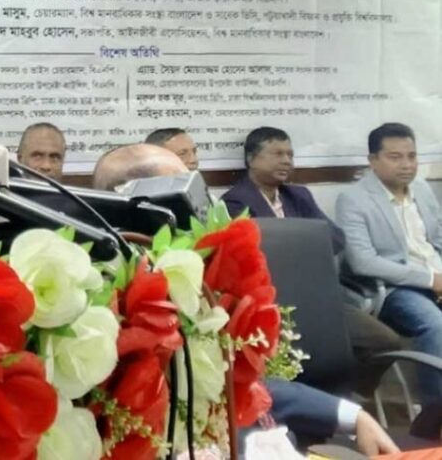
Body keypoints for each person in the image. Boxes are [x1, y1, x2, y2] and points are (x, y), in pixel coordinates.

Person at [93, 144, 399, 456]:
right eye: (183, 191)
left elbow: (251, 387)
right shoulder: (104, 325)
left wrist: (354, 416)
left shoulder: (208, 290)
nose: (203, 209)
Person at [222, 127, 401, 396]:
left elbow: (335, 238)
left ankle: (347, 398)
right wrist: (304, 242)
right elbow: (255, 255)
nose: (286, 161)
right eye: (277, 154)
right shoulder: (235, 202)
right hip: (272, 301)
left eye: (290, 155)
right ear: (251, 159)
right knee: (300, 357)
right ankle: (316, 402)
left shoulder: (298, 196)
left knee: (385, 341)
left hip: (318, 295)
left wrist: (295, 244)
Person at [338, 123, 442, 421]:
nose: (407, 164)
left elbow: (437, 239)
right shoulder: (354, 199)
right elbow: (364, 262)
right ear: (373, 160)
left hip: (436, 274)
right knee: (435, 325)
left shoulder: (421, 189)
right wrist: (430, 280)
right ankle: (435, 418)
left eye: (412, 156)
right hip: (393, 288)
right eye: (395, 157)